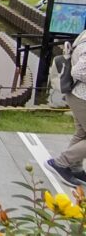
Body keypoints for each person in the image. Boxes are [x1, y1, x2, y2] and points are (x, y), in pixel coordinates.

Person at [46, 29, 86, 187]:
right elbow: (79, 71)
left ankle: (74, 167)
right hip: (81, 96)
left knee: (82, 133)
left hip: (76, 94)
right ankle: (61, 163)